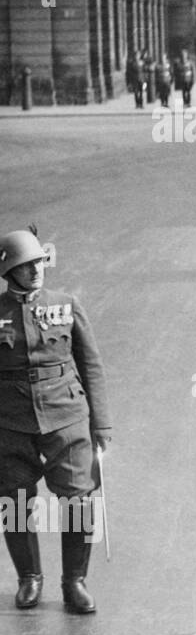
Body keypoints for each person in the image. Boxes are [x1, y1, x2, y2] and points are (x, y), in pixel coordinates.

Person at [0, 228, 111, 613]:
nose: (35, 271)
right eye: (25, 266)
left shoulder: (66, 304)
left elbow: (90, 364)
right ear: (8, 271)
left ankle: (74, 582)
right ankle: (29, 578)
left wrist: (102, 425)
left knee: (79, 498)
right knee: (13, 501)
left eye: (38, 263)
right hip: (11, 421)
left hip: (67, 415)